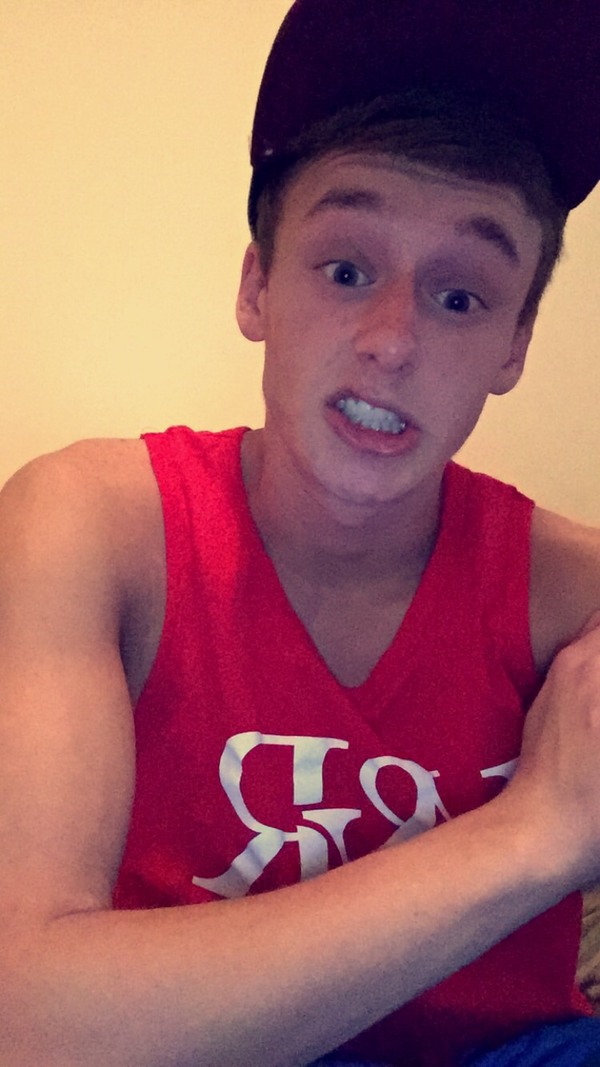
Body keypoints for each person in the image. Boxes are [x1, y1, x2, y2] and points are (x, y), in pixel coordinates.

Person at [1, 1, 600, 1064]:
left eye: (462, 296)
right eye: (347, 269)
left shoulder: (570, 593)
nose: (392, 341)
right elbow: (29, 1016)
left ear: (515, 344)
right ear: (256, 287)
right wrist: (536, 832)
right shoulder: (94, 528)